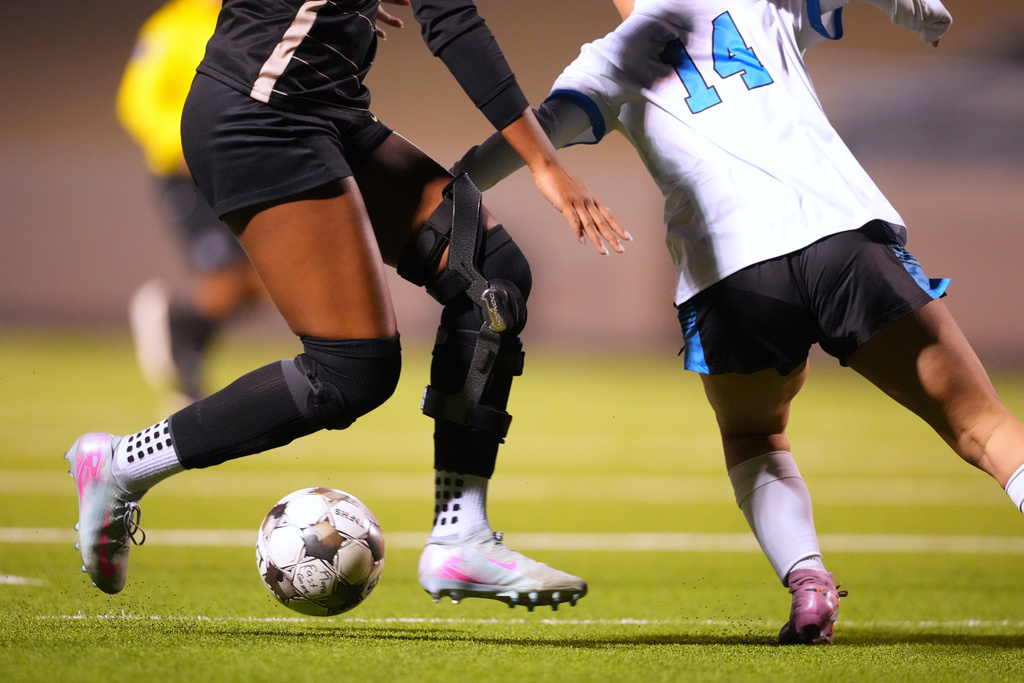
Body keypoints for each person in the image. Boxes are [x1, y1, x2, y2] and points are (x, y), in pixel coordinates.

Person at [453, 0, 1024, 644]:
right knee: (982, 426)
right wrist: (920, 12)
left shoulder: (604, 61)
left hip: (729, 275)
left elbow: (531, 133)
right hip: (838, 233)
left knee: (755, 436)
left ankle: (808, 582)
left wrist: (447, 187)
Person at [65, 0, 631, 611]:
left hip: (323, 107)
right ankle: (122, 464)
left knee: (490, 273)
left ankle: (460, 536)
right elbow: (452, 20)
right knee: (351, 371)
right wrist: (544, 162)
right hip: (259, 115)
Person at [116, 0, 268, 408]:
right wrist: (182, 142)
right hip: (188, 169)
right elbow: (137, 98)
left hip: (243, 166)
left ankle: (180, 336)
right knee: (223, 277)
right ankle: (186, 369)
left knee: (258, 284)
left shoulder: (263, 13)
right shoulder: (173, 26)